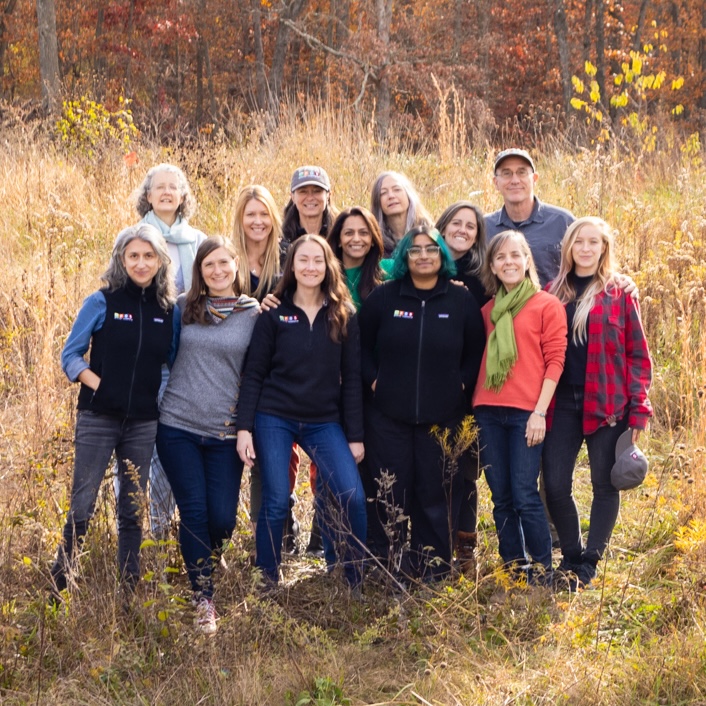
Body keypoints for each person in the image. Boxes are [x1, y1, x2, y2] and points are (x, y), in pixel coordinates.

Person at [51, 224, 177, 600]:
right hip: (98, 417)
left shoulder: (167, 310)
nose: (141, 263)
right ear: (121, 259)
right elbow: (70, 356)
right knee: (82, 506)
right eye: (133, 255)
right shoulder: (102, 301)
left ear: (160, 261)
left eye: (149, 256)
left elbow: (172, 361)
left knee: (132, 511)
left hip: (143, 422)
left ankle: (128, 593)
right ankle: (59, 587)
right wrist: (101, 385)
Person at [236, 235, 366, 591]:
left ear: (328, 266)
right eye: (303, 260)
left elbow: (352, 378)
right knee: (276, 499)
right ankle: (267, 581)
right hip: (274, 416)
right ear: (291, 266)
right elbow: (254, 374)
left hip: (323, 420)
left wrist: (355, 436)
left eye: (318, 260)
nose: (311, 267)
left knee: (352, 495)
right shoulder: (273, 314)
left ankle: (352, 580)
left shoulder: (343, 314)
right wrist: (244, 428)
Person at [359, 225, 485, 582]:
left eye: (432, 249)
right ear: (404, 257)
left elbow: (476, 352)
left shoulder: (460, 301)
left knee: (436, 495)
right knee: (390, 493)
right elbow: (360, 346)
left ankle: (432, 571)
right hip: (388, 418)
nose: (424, 256)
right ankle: (388, 567)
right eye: (415, 250)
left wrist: (460, 384)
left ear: (442, 255)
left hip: (442, 420)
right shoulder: (385, 297)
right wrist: (375, 381)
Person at [156, 237, 259, 634]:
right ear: (199, 270)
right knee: (195, 511)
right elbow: (163, 354)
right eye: (208, 265)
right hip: (177, 425)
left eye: (223, 263)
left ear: (236, 265)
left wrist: (245, 425)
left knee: (222, 518)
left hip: (225, 432)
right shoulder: (184, 307)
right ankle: (204, 598)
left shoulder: (253, 313)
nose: (217, 271)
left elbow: (256, 374)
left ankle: (202, 560)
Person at [543, 217, 653, 589]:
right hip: (562, 403)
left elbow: (638, 356)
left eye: (594, 242)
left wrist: (639, 409)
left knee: (605, 484)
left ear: (604, 248)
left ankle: (589, 561)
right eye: (579, 241)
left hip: (608, 404)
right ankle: (571, 555)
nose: (586, 248)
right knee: (555, 484)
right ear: (569, 247)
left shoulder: (619, 293)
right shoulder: (552, 292)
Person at [472, 230, 567, 584]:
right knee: (500, 496)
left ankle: (542, 572)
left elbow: (555, 361)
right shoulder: (487, 311)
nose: (508, 262)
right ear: (493, 266)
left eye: (515, 255)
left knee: (525, 493)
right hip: (487, 411)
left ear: (527, 261)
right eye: (500, 257)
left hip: (526, 413)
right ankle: (514, 569)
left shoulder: (546, 305)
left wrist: (539, 412)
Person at [129, 163, 207, 537]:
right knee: (141, 444)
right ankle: (136, 529)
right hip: (146, 359)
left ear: (182, 195)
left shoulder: (198, 241)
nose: (165, 192)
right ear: (147, 195)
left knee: (175, 444)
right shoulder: (134, 238)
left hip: (189, 361)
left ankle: (167, 529)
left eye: (172, 187)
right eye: (158, 187)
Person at [435, 201, 491, 572]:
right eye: (456, 223)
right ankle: (431, 544)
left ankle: (465, 548)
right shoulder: (423, 265)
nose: (462, 230)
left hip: (466, 388)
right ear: (442, 227)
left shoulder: (482, 278)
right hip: (425, 387)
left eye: (471, 226)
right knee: (432, 468)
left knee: (465, 470)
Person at [485, 148, 575, 287]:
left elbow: (591, 265)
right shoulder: (484, 227)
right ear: (496, 182)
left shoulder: (563, 222)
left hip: (555, 301)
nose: (515, 180)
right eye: (506, 173)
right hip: (500, 301)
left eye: (522, 172)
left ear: (534, 179)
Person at [326, 206, 387, 310]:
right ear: (339, 240)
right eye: (349, 233)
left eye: (364, 233)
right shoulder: (325, 273)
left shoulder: (388, 269)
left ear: (373, 239)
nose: (356, 239)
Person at [233, 184, 282, 301]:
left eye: (264, 214)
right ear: (240, 218)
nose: (258, 221)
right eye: (250, 215)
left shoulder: (288, 257)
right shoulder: (227, 258)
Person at [370, 171, 433, 257]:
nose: (391, 196)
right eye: (383, 193)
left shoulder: (431, 234)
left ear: (409, 195)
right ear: (377, 202)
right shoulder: (374, 242)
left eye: (397, 189)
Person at [281, 165, 338, 258]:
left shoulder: (340, 235)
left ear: (328, 195)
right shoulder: (281, 241)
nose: (310, 198)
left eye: (317, 191)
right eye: (303, 191)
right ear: (292, 196)